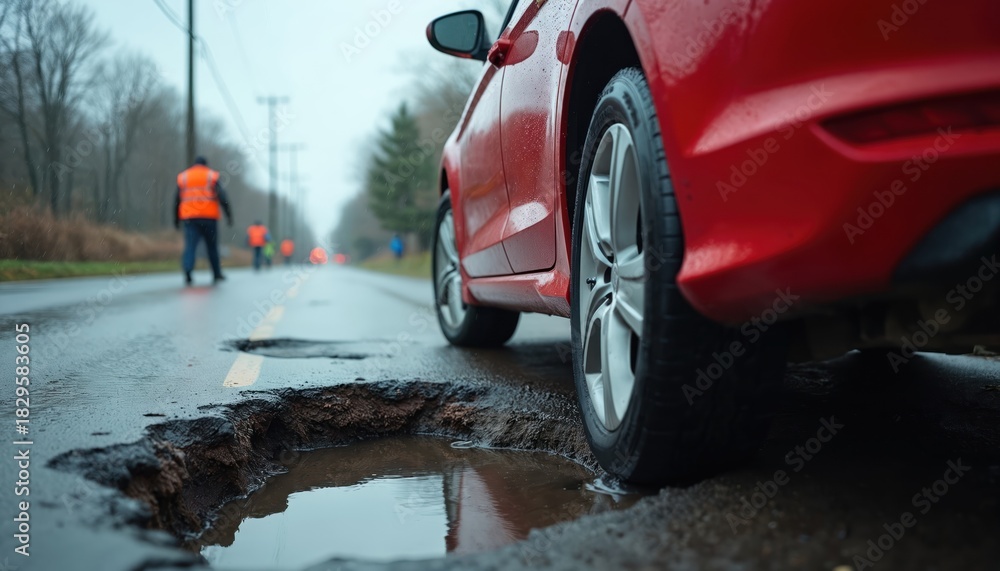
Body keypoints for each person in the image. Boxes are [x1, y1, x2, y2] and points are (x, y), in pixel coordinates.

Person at [175, 156, 232, 286]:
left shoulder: (184, 177)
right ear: (206, 164)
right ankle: (216, 273)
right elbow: (223, 197)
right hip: (209, 218)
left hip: (190, 218)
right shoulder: (212, 176)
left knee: (190, 246)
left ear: (194, 164)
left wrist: (176, 219)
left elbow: (177, 199)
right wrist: (229, 215)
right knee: (212, 247)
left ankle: (188, 271)